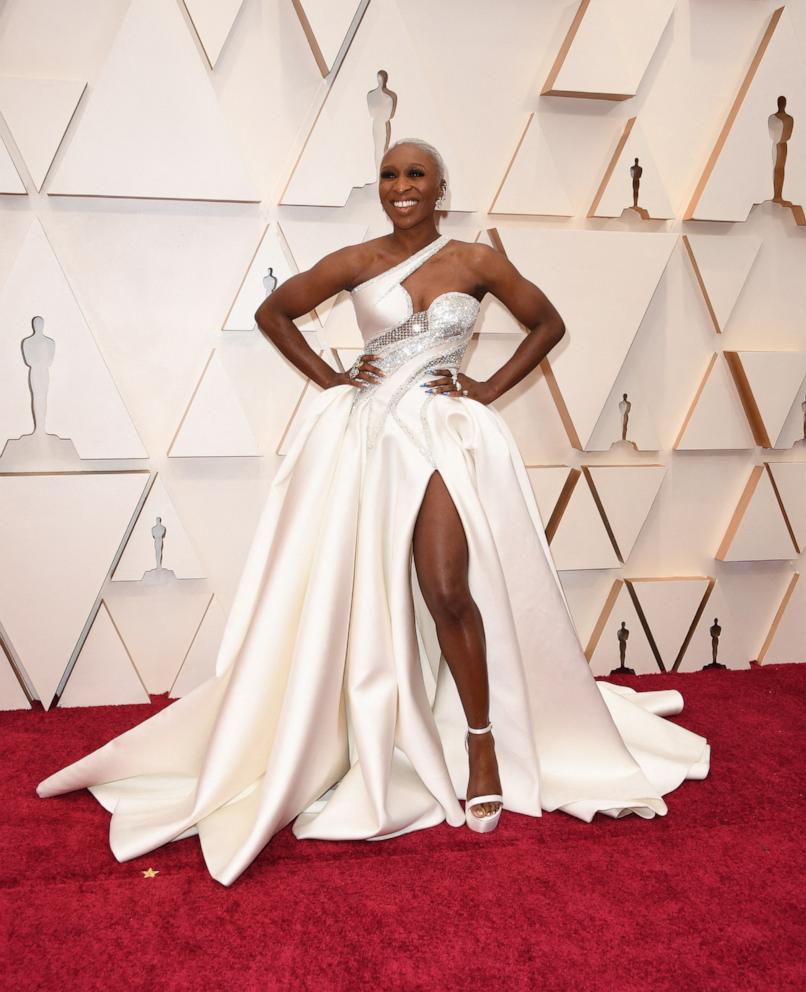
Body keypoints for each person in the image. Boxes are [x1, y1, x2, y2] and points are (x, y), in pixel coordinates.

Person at [36, 138, 710, 887]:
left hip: (444, 433)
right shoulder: (356, 261)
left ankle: (482, 742)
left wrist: (484, 390)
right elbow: (274, 311)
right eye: (389, 175)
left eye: (414, 173)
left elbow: (546, 324)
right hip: (370, 440)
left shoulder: (476, 261)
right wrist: (333, 377)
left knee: (447, 589)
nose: (400, 185)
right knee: (354, 599)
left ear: (440, 187)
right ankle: (361, 736)